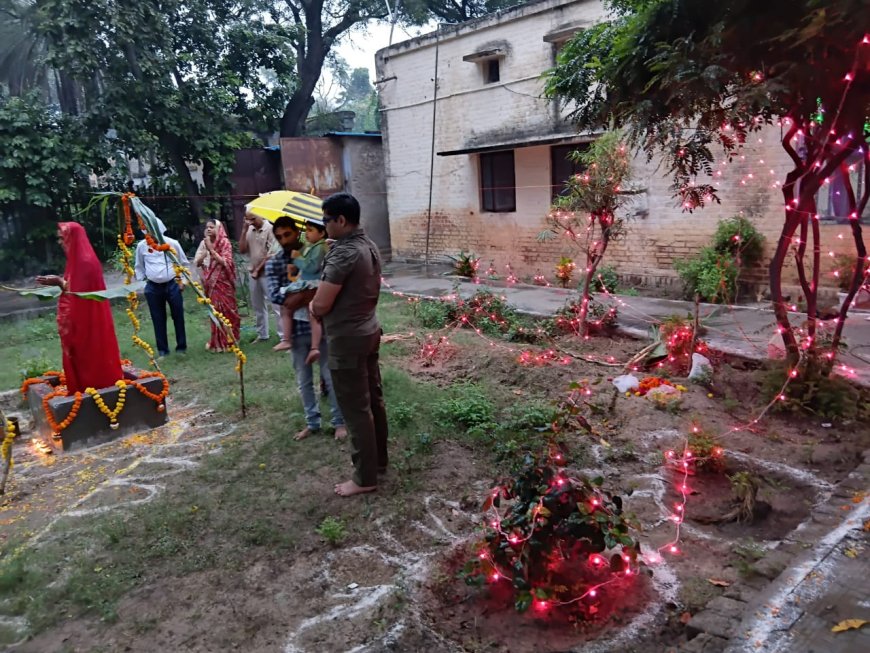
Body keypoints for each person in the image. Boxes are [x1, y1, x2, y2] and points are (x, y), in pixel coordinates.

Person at [309, 192, 388, 497]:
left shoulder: (343, 254)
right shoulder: (367, 244)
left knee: (356, 410)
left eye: (326, 221)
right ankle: (378, 462)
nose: (324, 226)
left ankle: (365, 477)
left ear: (341, 220)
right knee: (373, 402)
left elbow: (322, 304)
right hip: (368, 331)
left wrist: (313, 307)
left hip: (348, 339)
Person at [266, 216, 346, 441]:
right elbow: (276, 296)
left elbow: (331, 284)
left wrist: (303, 296)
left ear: (297, 232)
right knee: (304, 380)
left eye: (287, 234)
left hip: (322, 324)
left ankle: (339, 422)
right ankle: (312, 423)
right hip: (298, 330)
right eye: (279, 237)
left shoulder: (317, 252)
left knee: (330, 376)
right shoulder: (274, 263)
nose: (283, 240)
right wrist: (309, 295)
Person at [36, 222, 123, 393]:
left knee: (89, 358)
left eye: (62, 238)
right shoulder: (76, 259)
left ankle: (95, 389)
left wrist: (60, 282)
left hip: (88, 322)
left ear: (73, 238)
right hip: (80, 319)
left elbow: (79, 294)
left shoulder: (85, 261)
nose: (60, 242)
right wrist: (61, 282)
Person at [134, 218, 189, 357]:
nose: (150, 233)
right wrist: (143, 284)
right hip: (152, 287)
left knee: (178, 316)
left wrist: (183, 281)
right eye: (147, 230)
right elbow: (139, 267)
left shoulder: (172, 243)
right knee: (158, 318)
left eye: (152, 230)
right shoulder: (142, 246)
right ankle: (163, 350)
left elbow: (184, 264)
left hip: (173, 284)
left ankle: (181, 347)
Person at [274, 219, 328, 355]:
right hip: (309, 283)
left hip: (311, 284)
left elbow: (312, 266)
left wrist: (297, 258)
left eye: (310, 230)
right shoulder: (313, 246)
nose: (307, 234)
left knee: (286, 306)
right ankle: (314, 347)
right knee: (312, 315)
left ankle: (286, 339)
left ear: (321, 233)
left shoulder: (321, 247)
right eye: (306, 230)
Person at [238, 211, 282, 343]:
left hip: (269, 272)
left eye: (253, 219)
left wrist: (258, 270)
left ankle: (284, 336)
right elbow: (242, 250)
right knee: (257, 305)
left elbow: (271, 254)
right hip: (253, 272)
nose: (250, 222)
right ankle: (263, 334)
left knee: (276, 305)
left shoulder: (271, 229)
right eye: (247, 219)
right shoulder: (249, 229)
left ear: (261, 215)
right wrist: (244, 230)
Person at [197, 219, 241, 352]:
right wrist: (207, 249)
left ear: (219, 229)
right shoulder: (204, 243)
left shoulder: (225, 242)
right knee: (216, 312)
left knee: (228, 311)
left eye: (212, 227)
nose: (209, 229)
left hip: (224, 283)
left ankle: (231, 341)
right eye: (207, 227)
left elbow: (226, 262)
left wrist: (212, 250)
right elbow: (199, 262)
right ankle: (218, 343)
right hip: (211, 284)